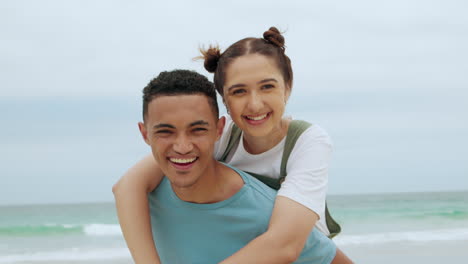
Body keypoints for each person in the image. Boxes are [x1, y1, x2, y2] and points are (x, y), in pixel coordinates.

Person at [113, 27, 352, 264]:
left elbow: (285, 245)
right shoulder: (220, 135)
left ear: (287, 87)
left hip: (305, 248)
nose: (255, 104)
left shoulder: (308, 141)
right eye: (239, 91)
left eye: (267, 86)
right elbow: (128, 186)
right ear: (224, 100)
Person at [137, 69, 339, 264]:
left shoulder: (266, 213)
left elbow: (306, 251)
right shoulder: (145, 195)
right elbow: (124, 187)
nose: (182, 147)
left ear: (219, 130)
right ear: (144, 134)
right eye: (165, 132)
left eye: (197, 130)